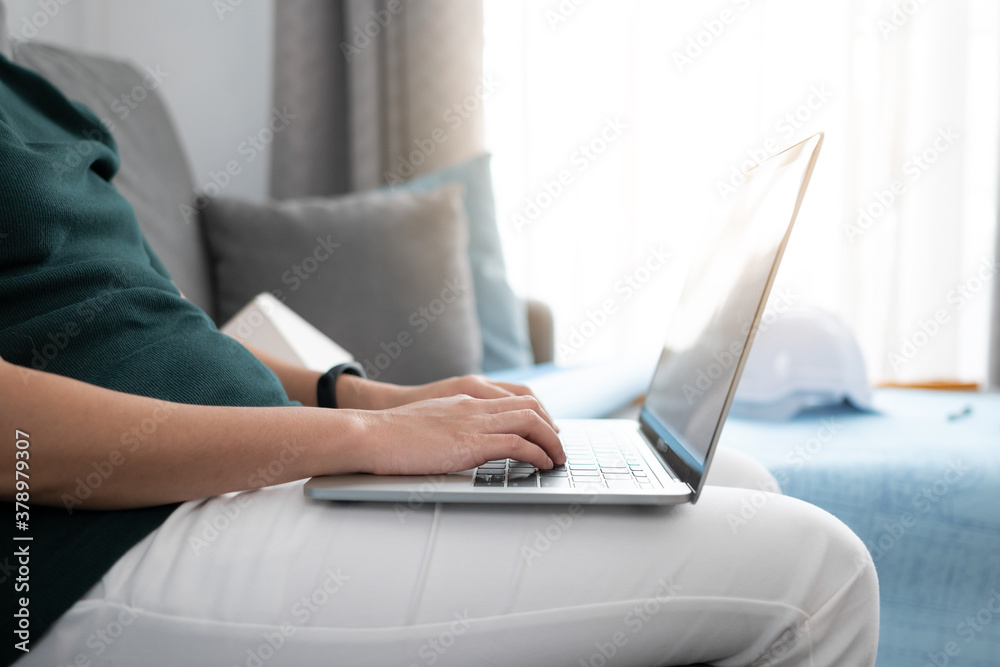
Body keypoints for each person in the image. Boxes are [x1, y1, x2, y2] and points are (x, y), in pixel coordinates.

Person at [0, 51, 879, 666]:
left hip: (237, 466)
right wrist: (368, 443)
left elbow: (162, 328)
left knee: (743, 483)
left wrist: (376, 400)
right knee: (819, 574)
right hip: (92, 541)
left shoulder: (32, 95)